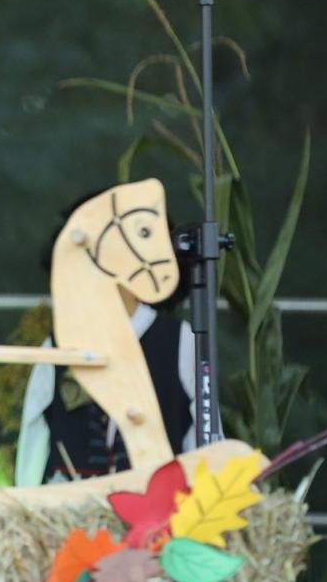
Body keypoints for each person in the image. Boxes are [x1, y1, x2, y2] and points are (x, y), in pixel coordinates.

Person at [15, 196, 195, 486]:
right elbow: (34, 442)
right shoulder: (56, 346)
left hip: (160, 506)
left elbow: (202, 440)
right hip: (72, 506)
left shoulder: (179, 340)